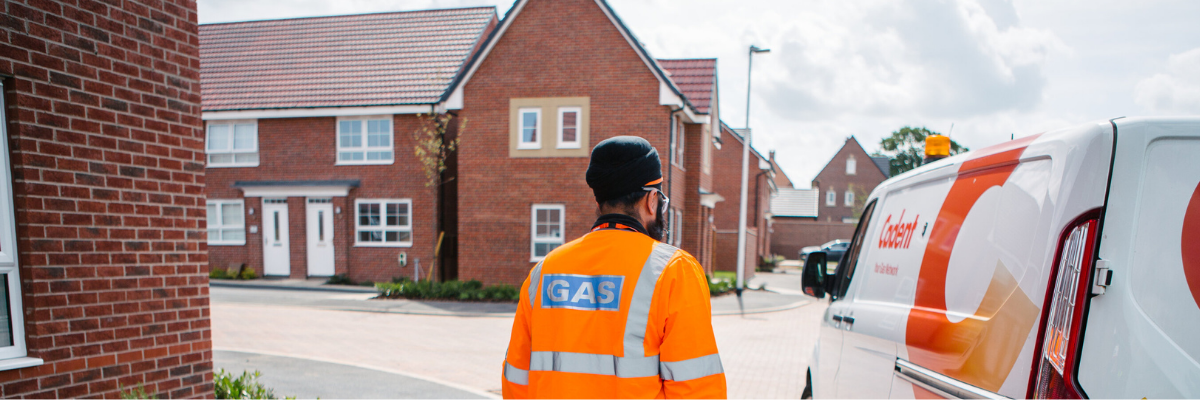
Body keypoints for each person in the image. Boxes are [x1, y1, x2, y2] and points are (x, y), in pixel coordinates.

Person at [502, 136, 727, 399]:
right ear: (652, 200)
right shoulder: (674, 270)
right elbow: (696, 388)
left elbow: (516, 378)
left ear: (599, 203)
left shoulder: (545, 270)